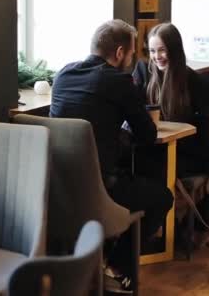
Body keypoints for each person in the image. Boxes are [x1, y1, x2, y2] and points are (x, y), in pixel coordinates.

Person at [50, 19, 173, 293]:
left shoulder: (62, 75)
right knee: (162, 197)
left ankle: (89, 265)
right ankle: (116, 268)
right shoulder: (118, 81)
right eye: (131, 55)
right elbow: (147, 135)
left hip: (55, 190)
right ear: (119, 53)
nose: (131, 61)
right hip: (99, 191)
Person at [132, 22, 209, 194]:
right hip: (151, 146)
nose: (156, 56)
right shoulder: (142, 72)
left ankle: (165, 218)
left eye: (162, 50)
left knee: (152, 168)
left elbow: (208, 128)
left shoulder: (197, 82)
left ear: (175, 50)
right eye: (152, 51)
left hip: (185, 150)